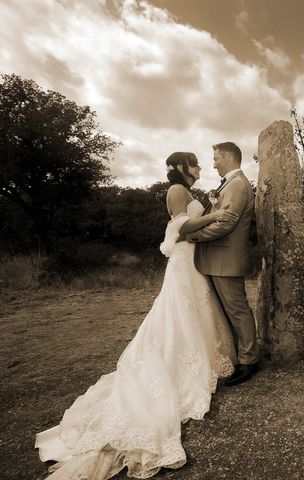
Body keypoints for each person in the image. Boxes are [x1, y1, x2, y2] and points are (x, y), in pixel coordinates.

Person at [35, 152, 239, 479]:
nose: (201, 168)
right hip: (184, 262)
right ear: (183, 167)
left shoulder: (187, 193)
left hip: (192, 262)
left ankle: (204, 362)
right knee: (180, 314)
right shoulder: (175, 190)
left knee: (194, 312)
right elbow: (182, 227)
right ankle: (181, 366)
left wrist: (213, 211)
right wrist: (218, 215)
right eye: (196, 164)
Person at [187, 142, 259, 386]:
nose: (214, 163)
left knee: (237, 310)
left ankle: (250, 361)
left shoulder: (238, 184)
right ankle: (241, 355)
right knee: (230, 311)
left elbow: (226, 223)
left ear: (228, 157)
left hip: (227, 260)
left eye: (216, 158)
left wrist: (193, 235)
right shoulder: (230, 183)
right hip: (218, 260)